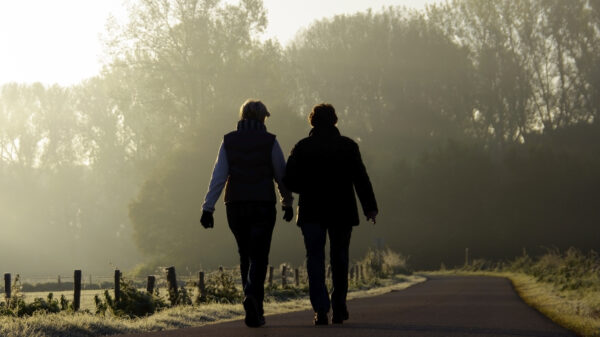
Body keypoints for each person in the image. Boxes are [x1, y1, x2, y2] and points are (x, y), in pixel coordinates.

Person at [200, 99, 294, 327]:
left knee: (245, 254)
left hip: (235, 204)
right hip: (262, 203)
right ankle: (253, 298)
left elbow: (219, 176)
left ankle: (253, 304)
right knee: (259, 256)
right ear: (263, 118)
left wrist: (208, 207)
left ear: (242, 116)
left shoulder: (228, 141)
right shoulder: (270, 141)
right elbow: (281, 174)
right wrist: (287, 202)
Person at [283, 103, 378, 325]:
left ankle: (320, 310)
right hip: (342, 211)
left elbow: (289, 179)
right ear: (335, 121)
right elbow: (361, 179)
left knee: (314, 259)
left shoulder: (302, 147)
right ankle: (339, 306)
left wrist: (306, 187)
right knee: (340, 259)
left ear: (312, 122)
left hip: (311, 211)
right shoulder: (348, 146)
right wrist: (370, 207)